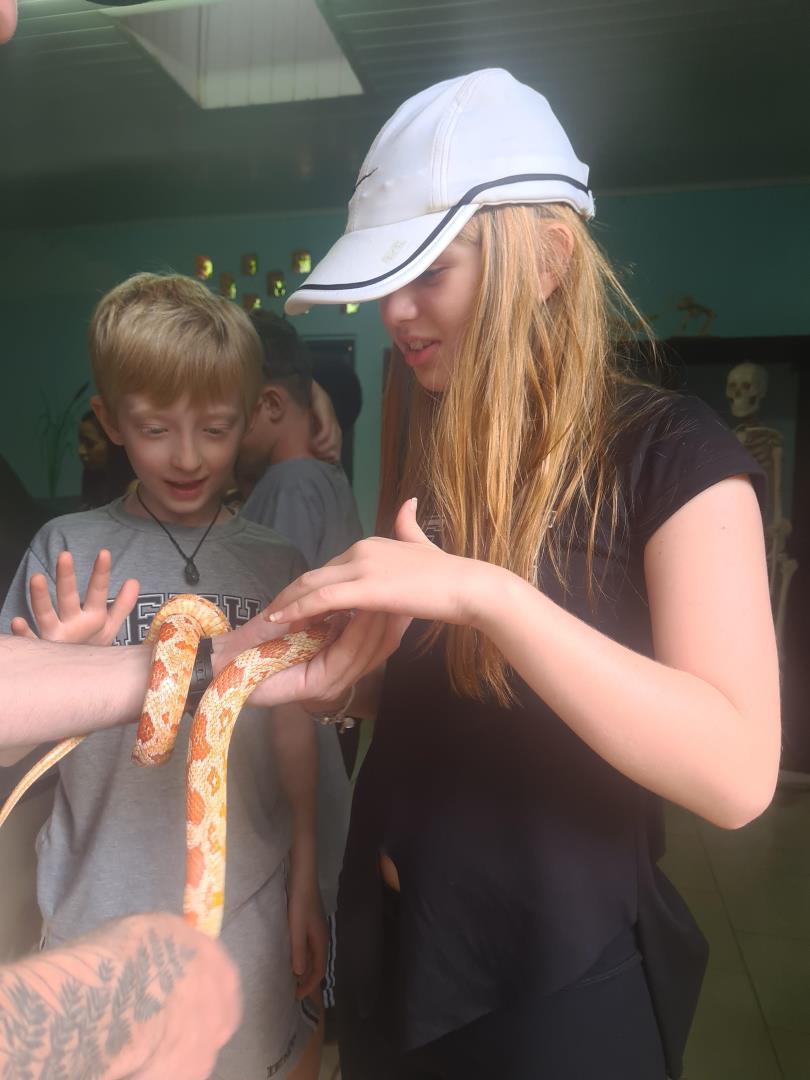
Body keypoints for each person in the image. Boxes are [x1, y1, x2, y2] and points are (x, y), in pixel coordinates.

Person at [261, 69, 781, 1079]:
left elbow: (737, 773)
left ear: (545, 261)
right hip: (392, 965)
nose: (395, 311)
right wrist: (339, 682)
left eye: (431, 271)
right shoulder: (435, 446)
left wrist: (487, 595)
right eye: (387, 279)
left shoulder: (674, 454)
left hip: (548, 993)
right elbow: (455, 702)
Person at [0, 273, 328, 1080]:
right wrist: (64, 667)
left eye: (216, 429)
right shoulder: (66, 552)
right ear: (111, 421)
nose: (187, 457)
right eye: (154, 428)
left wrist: (306, 878)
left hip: (244, 922)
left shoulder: (277, 563)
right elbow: (11, 752)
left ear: (251, 414)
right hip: (96, 918)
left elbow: (294, 734)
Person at [238, 309, 364, 1034]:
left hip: (292, 723)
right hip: (319, 725)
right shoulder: (323, 472)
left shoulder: (287, 487)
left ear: (269, 405)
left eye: (224, 419)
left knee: (291, 951)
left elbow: (268, 623)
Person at [78, 409, 136, 509]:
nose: (81, 451)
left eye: (90, 444)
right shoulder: (94, 476)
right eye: (80, 442)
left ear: (114, 443)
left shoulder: (136, 489)